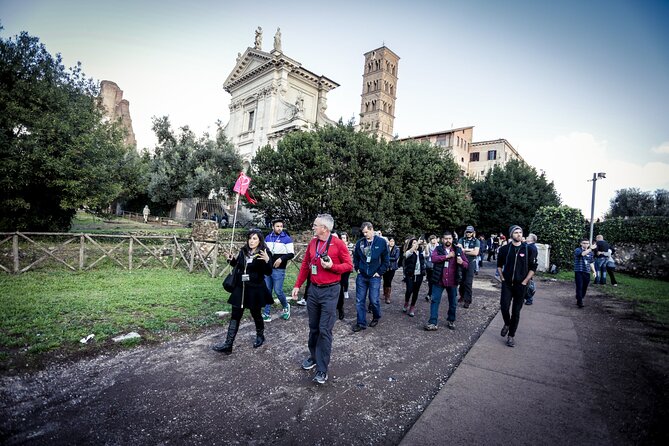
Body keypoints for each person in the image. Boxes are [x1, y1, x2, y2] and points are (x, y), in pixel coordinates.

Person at [292, 214, 352, 385]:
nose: (313, 227)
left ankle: (322, 369)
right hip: (313, 291)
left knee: (324, 330)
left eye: (315, 225)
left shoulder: (338, 244)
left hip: (331, 291)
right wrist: (298, 285)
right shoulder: (313, 243)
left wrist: (332, 267)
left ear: (325, 228)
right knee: (313, 328)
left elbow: (349, 266)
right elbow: (305, 265)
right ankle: (313, 357)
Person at [212, 229, 273, 354]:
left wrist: (267, 260)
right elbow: (238, 265)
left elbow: (268, 272)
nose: (251, 241)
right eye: (250, 238)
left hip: (255, 289)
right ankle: (228, 345)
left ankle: (260, 335)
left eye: (254, 238)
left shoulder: (264, 253)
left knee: (256, 314)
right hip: (241, 288)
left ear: (260, 240)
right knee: (235, 316)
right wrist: (231, 260)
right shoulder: (244, 251)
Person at [497, 225, 537, 347]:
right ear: (511, 235)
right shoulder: (504, 249)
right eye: (516, 232)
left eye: (520, 232)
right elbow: (499, 265)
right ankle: (507, 323)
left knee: (516, 311)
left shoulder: (528, 249)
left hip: (521, 285)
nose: (519, 234)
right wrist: (502, 278)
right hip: (507, 284)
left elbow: (533, 267)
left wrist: (525, 281)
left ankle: (511, 336)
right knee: (504, 306)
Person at [426, 231, 468, 331]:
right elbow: (433, 258)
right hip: (439, 280)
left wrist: (461, 262)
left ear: (452, 239)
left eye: (449, 238)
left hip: (453, 281)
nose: (448, 240)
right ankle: (432, 322)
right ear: (442, 240)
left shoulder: (457, 250)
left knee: (453, 302)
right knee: (435, 301)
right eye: (446, 239)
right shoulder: (438, 248)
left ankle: (451, 320)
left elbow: (466, 264)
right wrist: (446, 256)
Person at [352, 222, 389, 332]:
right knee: (359, 300)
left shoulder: (381, 242)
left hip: (374, 276)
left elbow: (386, 260)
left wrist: (379, 272)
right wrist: (357, 268)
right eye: (363, 232)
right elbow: (356, 257)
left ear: (372, 230)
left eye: (367, 232)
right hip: (362, 276)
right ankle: (361, 323)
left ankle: (376, 316)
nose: (365, 234)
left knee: (374, 300)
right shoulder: (360, 243)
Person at [263, 218, 294, 322]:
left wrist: (281, 259)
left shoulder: (287, 238)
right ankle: (266, 313)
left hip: (279, 269)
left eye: (281, 226)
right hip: (267, 268)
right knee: (267, 291)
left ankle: (286, 306)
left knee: (278, 291)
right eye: (277, 226)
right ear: (273, 227)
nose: (279, 228)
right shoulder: (267, 237)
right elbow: (265, 251)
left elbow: (291, 254)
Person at [457, 225, 480, 308]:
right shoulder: (461, 239)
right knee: (461, 281)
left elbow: (476, 253)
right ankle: (462, 296)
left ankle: (467, 301)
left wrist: (464, 250)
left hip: (471, 263)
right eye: (467, 232)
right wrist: (470, 250)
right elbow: (458, 250)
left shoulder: (476, 241)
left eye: (470, 232)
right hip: (461, 262)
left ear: (473, 233)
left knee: (468, 282)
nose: (468, 233)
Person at [402, 237, 425, 317]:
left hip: (419, 275)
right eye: (414, 243)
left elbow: (428, 255)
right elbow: (409, 252)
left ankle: (412, 307)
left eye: (417, 243)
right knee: (409, 290)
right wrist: (417, 243)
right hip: (410, 275)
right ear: (411, 244)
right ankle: (406, 302)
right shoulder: (409, 252)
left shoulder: (421, 252)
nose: (416, 244)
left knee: (416, 291)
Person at [336, 232, 353, 320]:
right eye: (341, 237)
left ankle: (340, 308)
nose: (342, 239)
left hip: (345, 268)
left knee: (342, 285)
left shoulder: (348, 246)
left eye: (344, 237)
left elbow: (350, 257)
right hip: (334, 269)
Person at [574, 238, 594, 308]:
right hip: (579, 271)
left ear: (589, 244)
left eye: (587, 243)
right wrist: (590, 249)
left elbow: (591, 262)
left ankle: (579, 297)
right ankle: (580, 302)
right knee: (579, 286)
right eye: (584, 243)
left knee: (584, 287)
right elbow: (582, 254)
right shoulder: (578, 250)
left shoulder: (591, 253)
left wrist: (594, 271)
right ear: (581, 244)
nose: (585, 244)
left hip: (587, 272)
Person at [382, 236, 400, 304]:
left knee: (389, 281)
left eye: (393, 241)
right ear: (388, 242)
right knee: (385, 280)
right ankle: (384, 293)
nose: (392, 242)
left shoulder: (397, 249)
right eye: (391, 241)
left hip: (392, 267)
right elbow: (383, 256)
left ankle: (388, 296)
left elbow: (396, 258)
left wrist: (387, 258)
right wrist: (387, 258)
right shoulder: (385, 248)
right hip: (385, 266)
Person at [524, 233, 539, 305]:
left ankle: (529, 298)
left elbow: (531, 259)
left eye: (528, 236)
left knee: (527, 283)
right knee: (526, 283)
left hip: (527, 268)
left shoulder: (530, 247)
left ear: (532, 239)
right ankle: (527, 298)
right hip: (529, 268)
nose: (527, 237)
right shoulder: (531, 246)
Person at [423, 235, 438, 301]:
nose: (434, 240)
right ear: (430, 240)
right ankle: (430, 294)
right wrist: (426, 247)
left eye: (434, 239)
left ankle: (430, 294)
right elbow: (425, 255)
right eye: (432, 239)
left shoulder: (438, 246)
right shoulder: (428, 246)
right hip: (429, 265)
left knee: (434, 281)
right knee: (430, 281)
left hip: (436, 265)